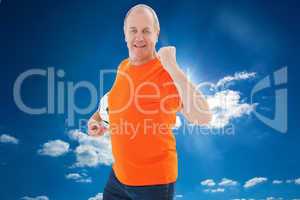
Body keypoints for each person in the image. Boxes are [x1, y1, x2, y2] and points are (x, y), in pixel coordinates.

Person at [88, 4, 212, 200]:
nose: (139, 37)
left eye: (146, 30)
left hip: (153, 186)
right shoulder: (124, 66)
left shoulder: (167, 74)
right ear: (125, 35)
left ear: (156, 33)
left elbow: (203, 116)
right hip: (118, 179)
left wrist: (172, 66)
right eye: (133, 30)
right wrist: (97, 119)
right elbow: (113, 101)